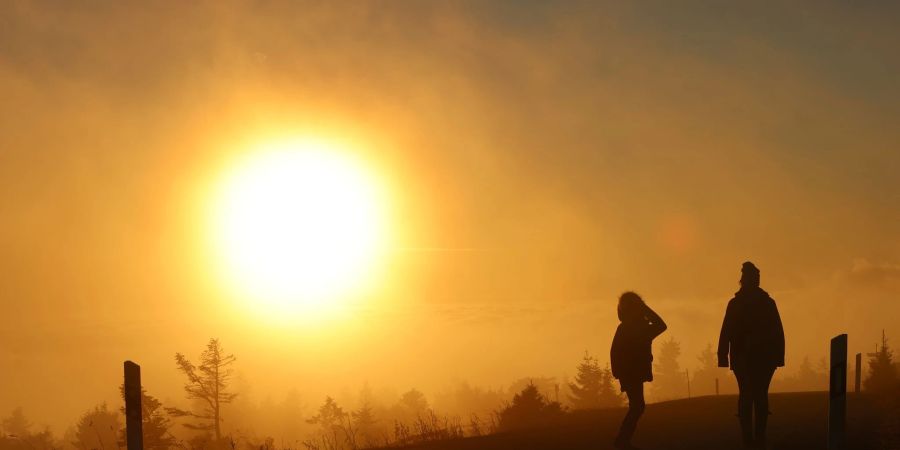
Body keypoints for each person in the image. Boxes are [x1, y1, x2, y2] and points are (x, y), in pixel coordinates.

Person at [718, 261, 785, 448]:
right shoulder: (766, 303)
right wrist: (779, 357)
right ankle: (756, 438)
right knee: (757, 395)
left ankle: (751, 438)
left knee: (749, 395)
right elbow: (777, 330)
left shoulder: (738, 303)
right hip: (756, 357)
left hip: (748, 357)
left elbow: (726, 330)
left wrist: (723, 356)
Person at [610, 292, 667, 450]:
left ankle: (622, 439)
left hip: (631, 373)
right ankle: (622, 440)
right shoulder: (636, 328)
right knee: (637, 406)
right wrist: (645, 308)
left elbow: (662, 326)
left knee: (637, 406)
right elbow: (661, 325)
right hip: (630, 373)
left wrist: (618, 373)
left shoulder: (634, 328)